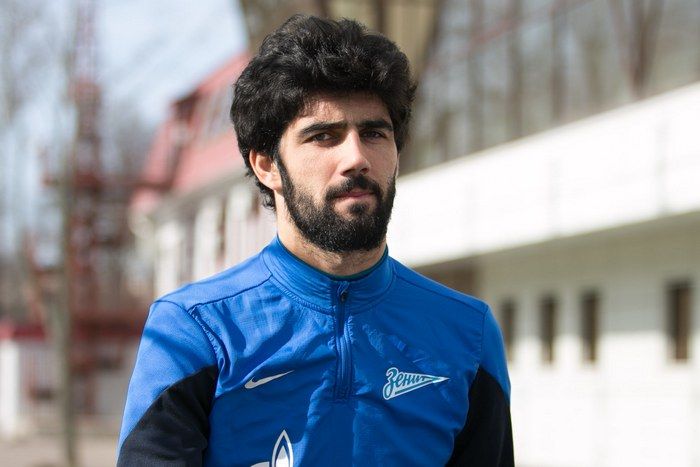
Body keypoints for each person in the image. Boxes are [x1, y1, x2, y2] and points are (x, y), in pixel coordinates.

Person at [117, 14, 513, 466]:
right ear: (267, 165)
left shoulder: (469, 334)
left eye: (373, 133)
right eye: (324, 136)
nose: (356, 157)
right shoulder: (194, 330)